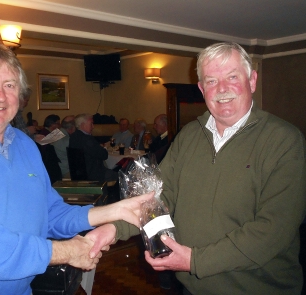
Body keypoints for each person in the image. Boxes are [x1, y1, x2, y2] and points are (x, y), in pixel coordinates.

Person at [0, 42, 153, 295]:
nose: (0, 96)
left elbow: (49, 214)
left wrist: (113, 211)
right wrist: (67, 251)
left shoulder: (24, 145)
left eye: (9, 85)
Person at [87, 42, 306, 295]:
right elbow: (157, 198)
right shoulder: (189, 135)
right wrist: (113, 229)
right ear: (202, 88)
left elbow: (273, 230)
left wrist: (195, 261)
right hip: (191, 286)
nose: (222, 89)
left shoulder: (285, 141)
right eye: (212, 81)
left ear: (252, 80)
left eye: (232, 77)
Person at [69, 113, 118, 182]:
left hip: (78, 173)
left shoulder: (73, 137)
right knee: (120, 175)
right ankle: (108, 192)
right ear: (83, 125)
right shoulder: (87, 139)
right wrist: (102, 148)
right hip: (93, 174)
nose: (93, 127)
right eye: (91, 124)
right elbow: (104, 155)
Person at [37, 114, 62, 184]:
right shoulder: (46, 134)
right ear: (52, 124)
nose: (59, 126)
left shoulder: (44, 131)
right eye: (58, 123)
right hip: (48, 165)